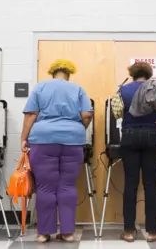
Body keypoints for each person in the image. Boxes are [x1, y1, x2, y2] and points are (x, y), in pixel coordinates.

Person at [21, 59, 93, 243]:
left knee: (45, 186)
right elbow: (87, 114)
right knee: (67, 185)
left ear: (52, 73)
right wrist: (78, 129)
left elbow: (31, 114)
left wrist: (23, 138)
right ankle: (68, 233)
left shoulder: (41, 87)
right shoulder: (77, 89)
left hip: (43, 139)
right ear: (69, 74)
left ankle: (43, 234)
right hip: (72, 141)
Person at [118, 62, 156, 243]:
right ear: (149, 73)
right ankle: (152, 232)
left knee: (130, 184)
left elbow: (116, 113)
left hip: (129, 136)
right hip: (152, 135)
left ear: (132, 74)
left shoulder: (123, 90)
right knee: (150, 185)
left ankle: (129, 232)